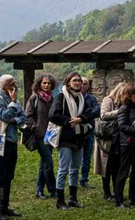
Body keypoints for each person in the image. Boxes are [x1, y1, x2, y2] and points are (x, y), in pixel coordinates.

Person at [0, 74, 27, 220]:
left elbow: (23, 118)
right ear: (4, 86)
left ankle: (4, 207)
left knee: (8, 175)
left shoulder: (12, 98)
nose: (15, 86)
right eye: (12, 83)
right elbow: (4, 116)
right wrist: (13, 103)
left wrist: (13, 118)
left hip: (11, 140)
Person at [48, 72, 88, 209]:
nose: (77, 83)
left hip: (78, 138)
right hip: (65, 138)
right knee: (63, 169)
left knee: (75, 169)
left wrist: (81, 119)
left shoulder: (82, 98)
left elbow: (91, 112)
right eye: (74, 80)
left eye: (79, 81)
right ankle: (60, 200)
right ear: (68, 82)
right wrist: (69, 122)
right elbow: (53, 115)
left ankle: (73, 198)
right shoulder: (61, 97)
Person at [25, 74, 57, 199]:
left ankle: (39, 190)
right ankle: (53, 189)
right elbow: (27, 116)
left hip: (51, 136)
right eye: (44, 83)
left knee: (44, 163)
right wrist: (35, 127)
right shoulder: (34, 98)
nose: (46, 85)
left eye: (48, 83)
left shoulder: (53, 99)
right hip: (39, 136)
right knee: (48, 162)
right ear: (39, 84)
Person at [95, 82, 124, 201]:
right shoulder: (108, 100)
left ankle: (116, 191)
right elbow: (104, 115)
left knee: (117, 166)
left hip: (118, 138)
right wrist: (121, 112)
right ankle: (106, 192)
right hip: (106, 139)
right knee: (106, 166)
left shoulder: (123, 103)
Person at [78, 77, 100, 189]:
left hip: (90, 131)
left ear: (88, 86)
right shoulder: (74, 98)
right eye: (80, 83)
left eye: (85, 83)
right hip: (77, 132)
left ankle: (84, 179)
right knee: (76, 156)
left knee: (87, 156)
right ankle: (74, 177)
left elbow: (97, 111)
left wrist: (84, 117)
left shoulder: (92, 98)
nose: (82, 85)